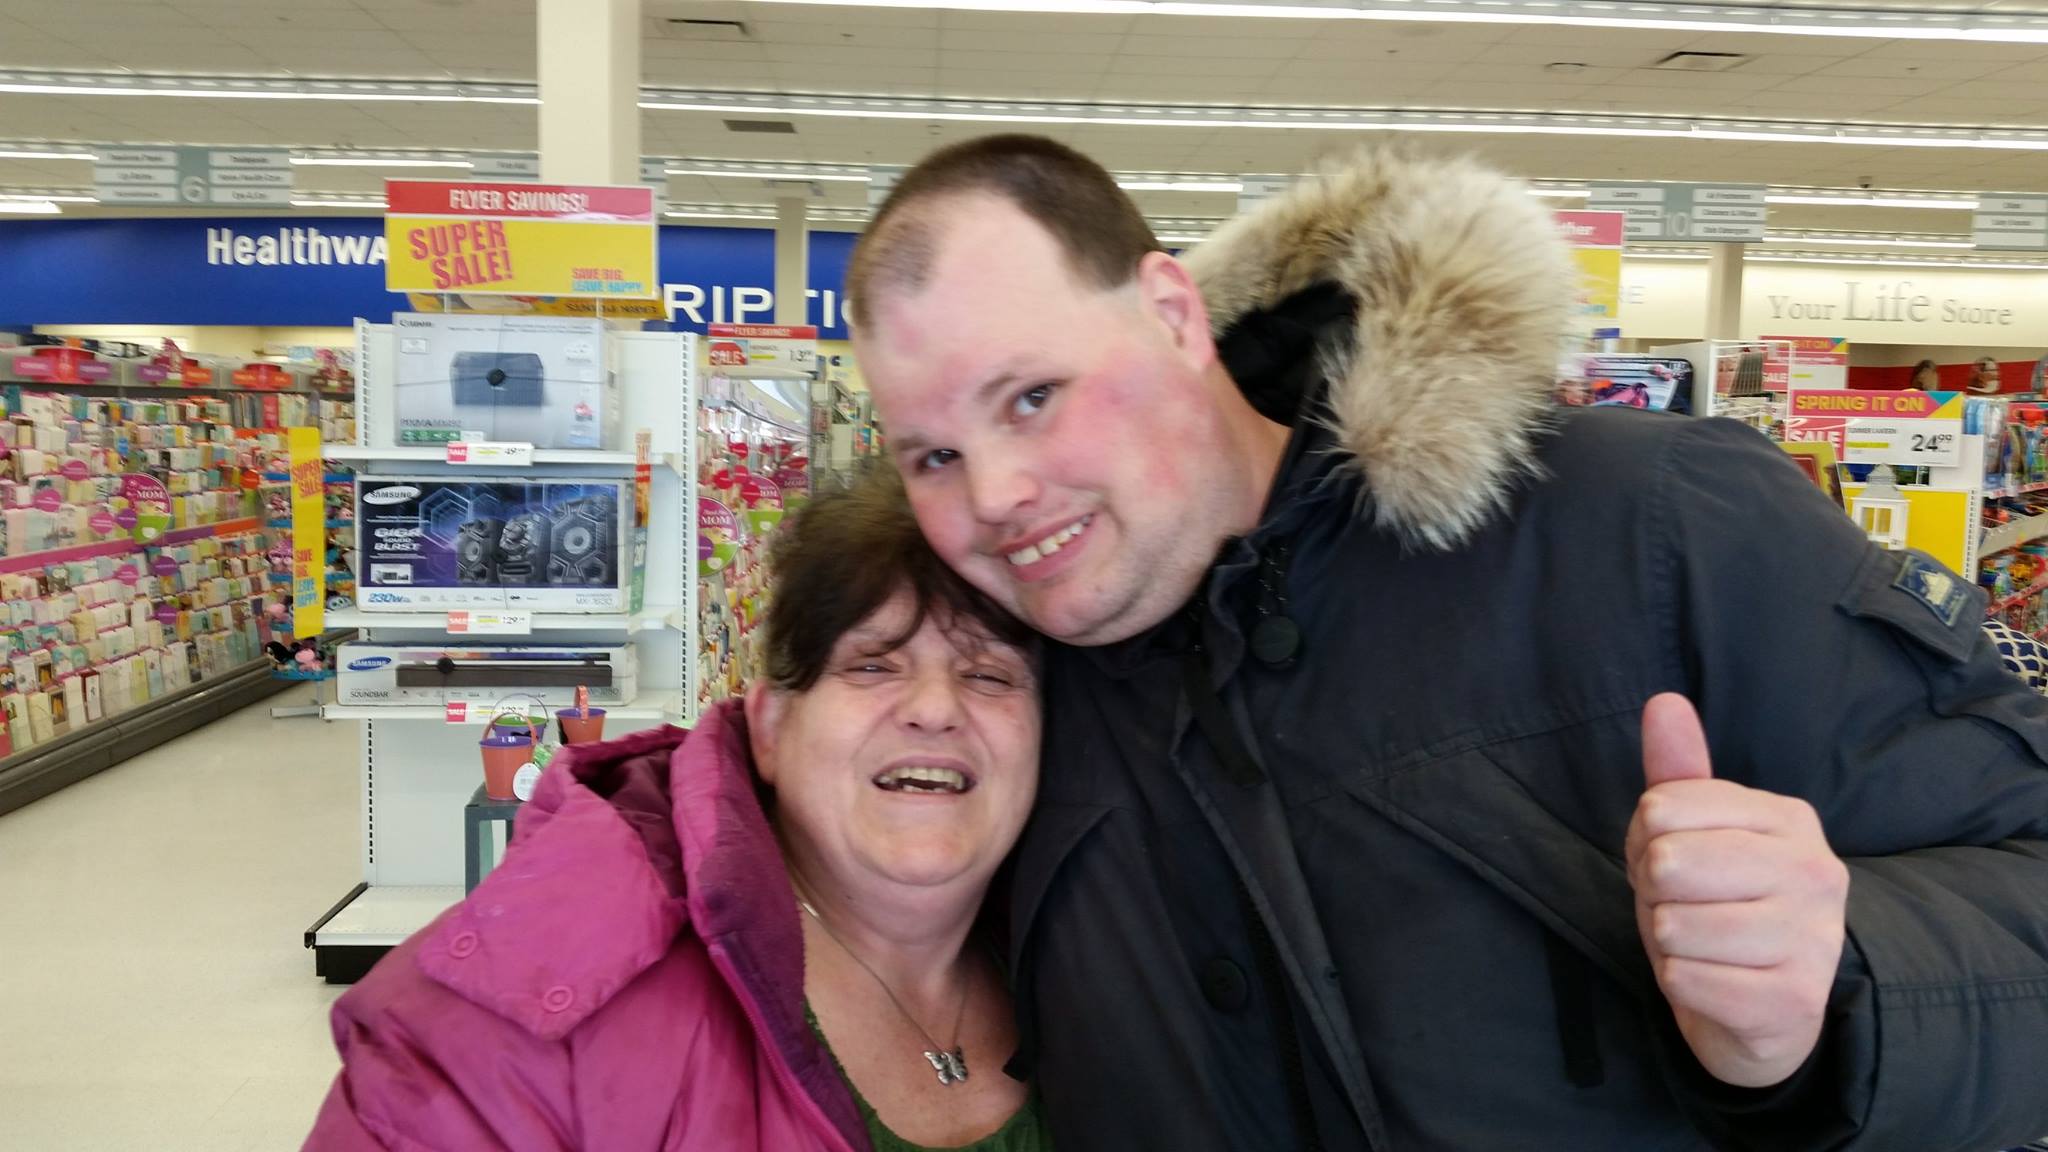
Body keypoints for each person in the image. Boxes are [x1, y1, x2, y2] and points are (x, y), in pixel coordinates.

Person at [847, 135, 2048, 1152]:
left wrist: (1843, 980)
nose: (993, 494)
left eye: (1031, 397)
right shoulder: (992, 696)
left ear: (1171, 314)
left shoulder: (1646, 527)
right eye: (933, 456)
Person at [304, 469, 1052, 1152]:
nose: (932, 709)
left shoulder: (1100, 955)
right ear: (768, 727)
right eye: (873, 663)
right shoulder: (512, 1022)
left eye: (988, 674)